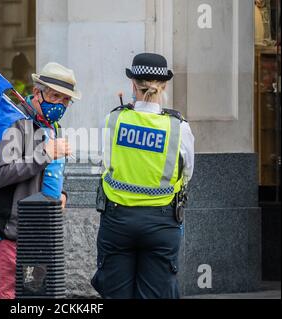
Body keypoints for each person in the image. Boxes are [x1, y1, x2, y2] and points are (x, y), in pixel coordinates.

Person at [91, 52, 195, 299]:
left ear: (132, 84)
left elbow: (103, 162)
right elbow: (187, 172)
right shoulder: (179, 127)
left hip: (117, 219)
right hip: (162, 222)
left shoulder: (113, 120)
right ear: (164, 86)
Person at [0, 62, 81, 299]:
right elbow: (0, 175)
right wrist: (46, 153)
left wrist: (61, 194)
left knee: (37, 297)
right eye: (56, 97)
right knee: (10, 296)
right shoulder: (15, 122)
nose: (61, 105)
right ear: (37, 92)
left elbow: (44, 173)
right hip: (10, 234)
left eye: (67, 100)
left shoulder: (52, 126)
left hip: (39, 233)